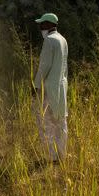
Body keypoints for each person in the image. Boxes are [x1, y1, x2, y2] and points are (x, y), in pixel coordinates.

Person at [33, 12, 68, 163]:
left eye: (42, 24)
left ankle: (52, 158)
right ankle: (61, 156)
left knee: (46, 122)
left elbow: (44, 66)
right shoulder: (63, 39)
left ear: (49, 25)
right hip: (61, 88)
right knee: (60, 123)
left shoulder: (49, 40)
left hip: (48, 89)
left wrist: (35, 86)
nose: (40, 27)